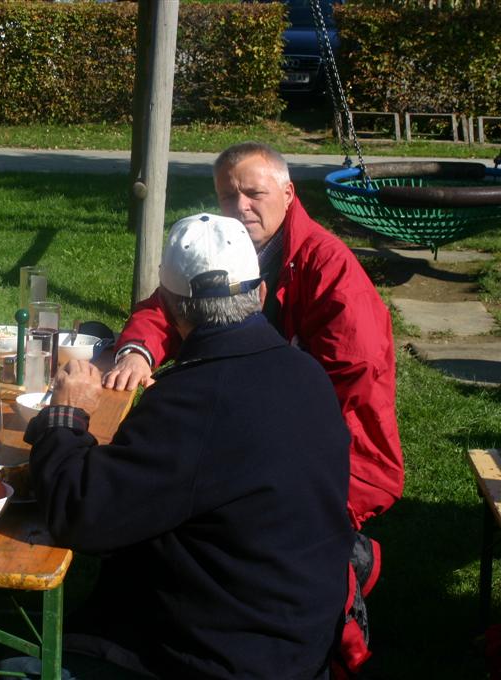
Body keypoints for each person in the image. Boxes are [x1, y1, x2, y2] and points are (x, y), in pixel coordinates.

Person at [25, 213, 354, 679]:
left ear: (174, 309)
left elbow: (78, 514)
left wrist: (66, 414)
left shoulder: (194, 399)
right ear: (260, 293)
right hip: (303, 634)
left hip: (222, 655)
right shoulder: (307, 374)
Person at [104, 141, 403, 531]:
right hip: (256, 422)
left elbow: (352, 388)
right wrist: (137, 350)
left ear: (288, 194)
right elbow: (169, 303)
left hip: (334, 453)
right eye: (228, 195)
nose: (240, 206)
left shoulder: (332, 272)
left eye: (254, 193)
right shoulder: (228, 248)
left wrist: (285, 448)